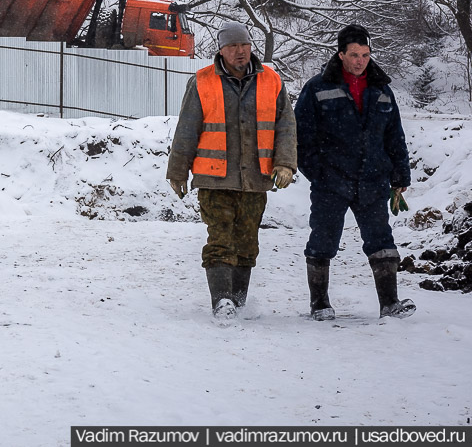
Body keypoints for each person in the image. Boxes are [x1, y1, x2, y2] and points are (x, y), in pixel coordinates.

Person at [166, 21, 297, 319]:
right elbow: (187, 129)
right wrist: (177, 170)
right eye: (232, 47)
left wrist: (286, 163)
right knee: (220, 240)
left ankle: (239, 301)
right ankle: (222, 301)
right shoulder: (202, 81)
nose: (239, 52)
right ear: (221, 50)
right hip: (214, 178)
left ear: (251, 46)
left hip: (255, 178)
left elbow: (286, 126)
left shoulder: (272, 81)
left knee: (247, 243)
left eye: (244, 45)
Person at [295, 25, 414, 319]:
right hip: (331, 181)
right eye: (354, 55)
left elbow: (394, 136)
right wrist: (317, 172)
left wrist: (400, 175)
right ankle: (319, 303)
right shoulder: (318, 88)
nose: (361, 61)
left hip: (373, 179)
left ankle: (390, 303)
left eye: (365, 54)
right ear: (341, 54)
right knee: (323, 239)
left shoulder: (382, 90)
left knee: (381, 240)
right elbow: (301, 136)